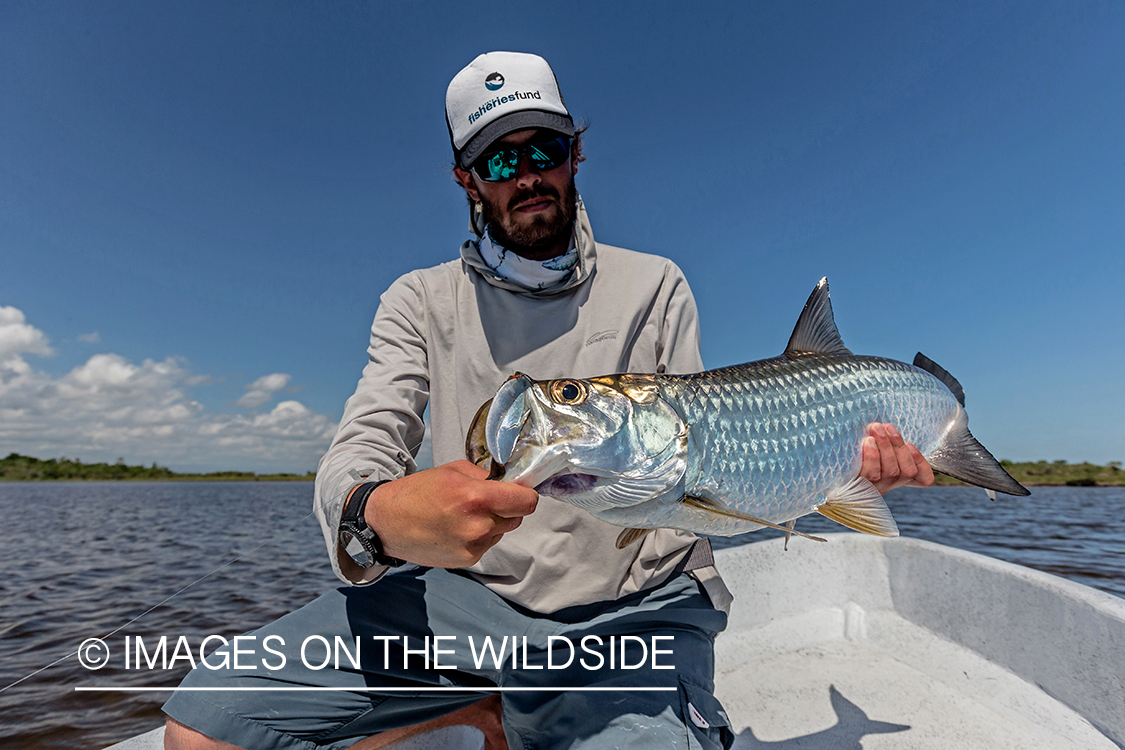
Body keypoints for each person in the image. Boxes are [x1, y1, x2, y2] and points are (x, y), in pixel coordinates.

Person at [163, 51, 933, 750]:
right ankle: (489, 701)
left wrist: (839, 471)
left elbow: (709, 474)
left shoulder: (655, 283)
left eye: (544, 149)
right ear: (467, 179)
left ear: (575, 156)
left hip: (636, 608)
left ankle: (511, 706)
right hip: (459, 601)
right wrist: (374, 514)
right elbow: (365, 441)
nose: (525, 173)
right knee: (202, 732)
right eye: (498, 158)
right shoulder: (415, 300)